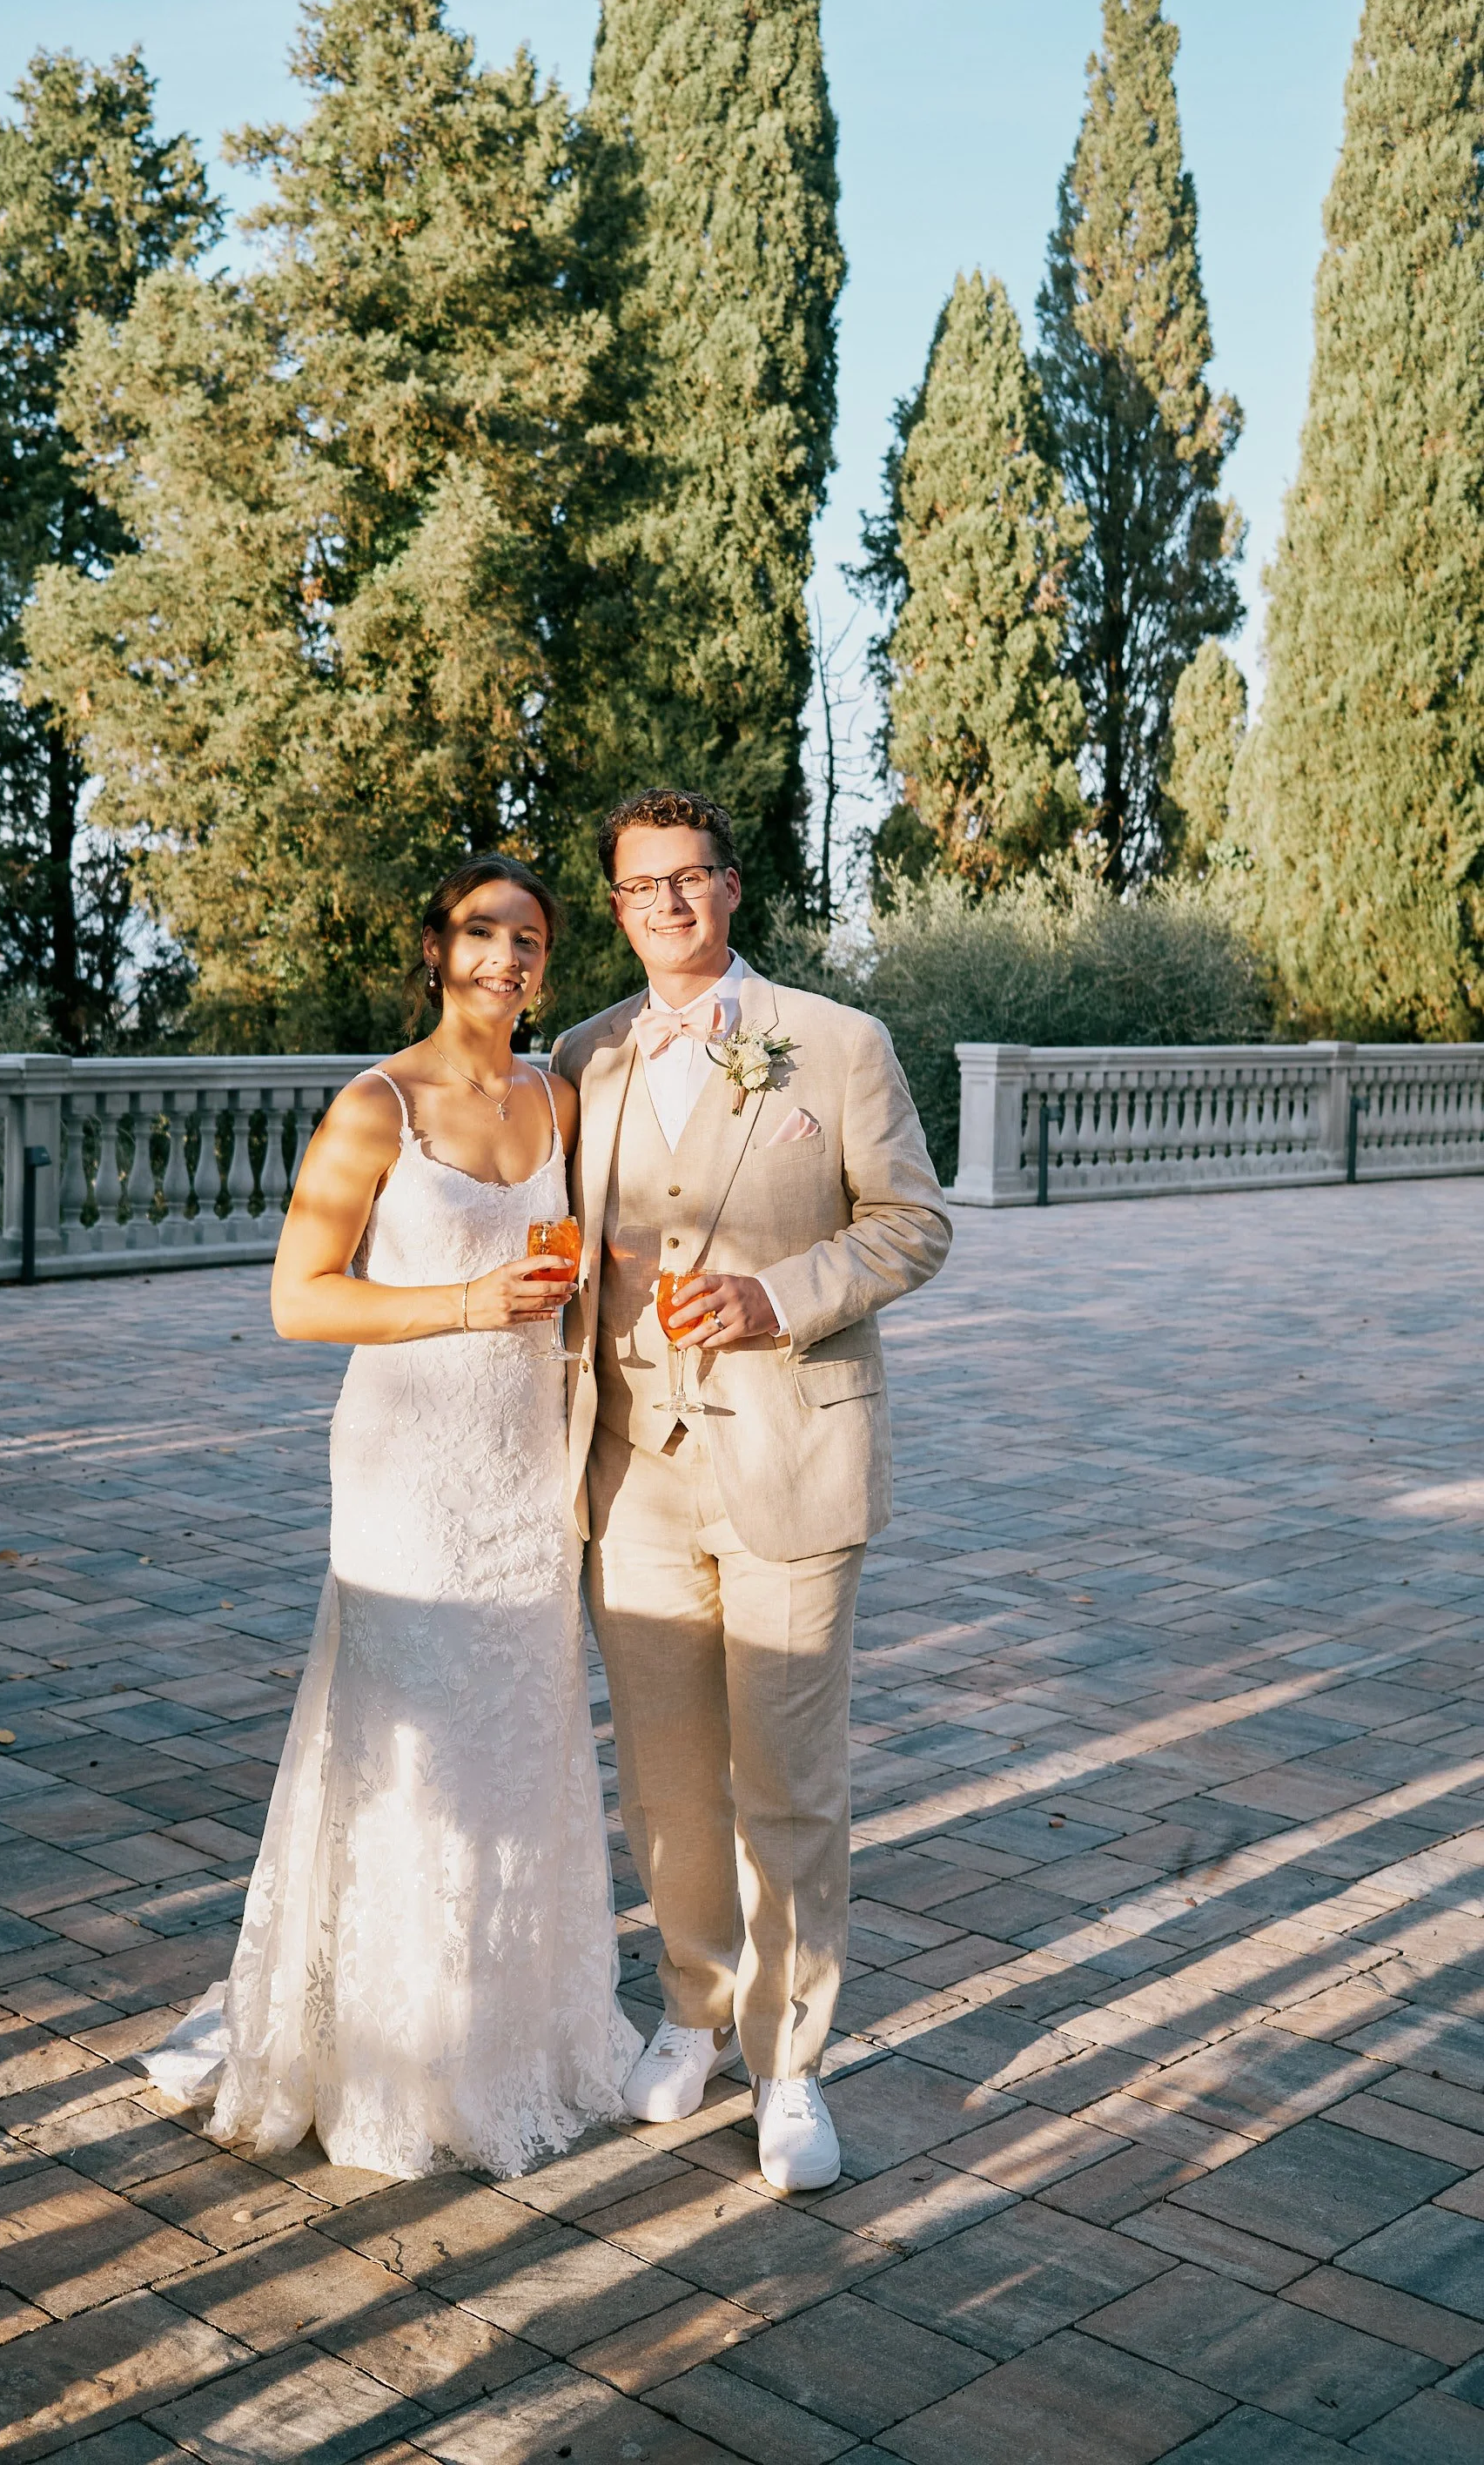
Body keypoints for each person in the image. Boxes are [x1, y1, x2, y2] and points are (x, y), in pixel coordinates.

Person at [143, 855, 639, 2179]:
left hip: (526, 1462)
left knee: (520, 1741)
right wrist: (464, 1306)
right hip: (408, 1469)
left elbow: (584, 1260)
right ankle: (390, 2052)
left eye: (530, 939)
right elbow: (300, 1298)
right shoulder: (376, 1108)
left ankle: (515, 2037)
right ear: (436, 950)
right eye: (482, 934)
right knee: (409, 1748)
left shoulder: (560, 1097)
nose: (507, 960)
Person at [553, 788, 951, 2192]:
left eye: (690, 879)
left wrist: (778, 1297)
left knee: (788, 1782)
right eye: (639, 884)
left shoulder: (838, 1046)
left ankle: (791, 2065)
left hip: (791, 1457)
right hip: (632, 1477)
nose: (666, 902)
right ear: (615, 905)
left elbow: (913, 1223)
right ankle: (692, 2010)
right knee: (663, 1784)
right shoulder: (580, 1058)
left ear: (733, 890)